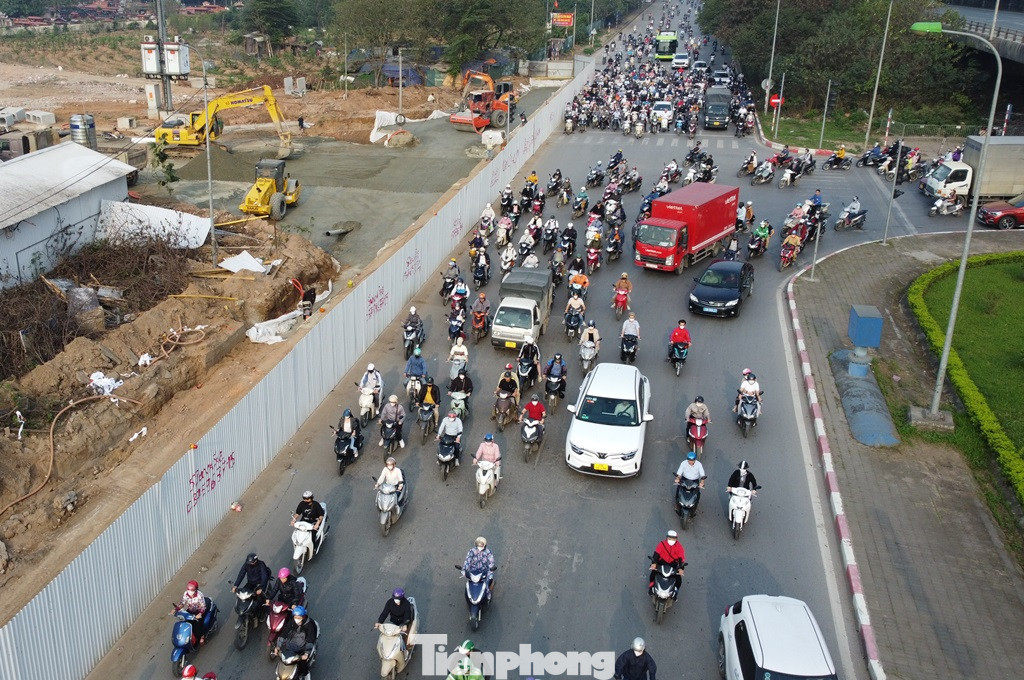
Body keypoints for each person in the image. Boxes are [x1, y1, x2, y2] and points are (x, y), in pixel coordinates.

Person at [274, 605, 318, 676]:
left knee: (303, 666)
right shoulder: (292, 621)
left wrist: (306, 653)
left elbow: (310, 639)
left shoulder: (310, 625)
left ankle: (306, 675)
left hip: (301, 650)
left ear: (303, 617)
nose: (296, 619)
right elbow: (285, 632)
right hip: (290, 647)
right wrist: (278, 646)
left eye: (298, 618)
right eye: (295, 617)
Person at [648, 530, 686, 598]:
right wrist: (654, 563)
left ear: (676, 539)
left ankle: (675, 592)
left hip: (673, 564)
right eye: (670, 538)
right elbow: (656, 554)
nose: (671, 540)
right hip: (662, 562)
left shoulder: (679, 547)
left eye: (673, 539)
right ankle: (651, 586)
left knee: (678, 580)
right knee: (653, 574)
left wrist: (681, 568)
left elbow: (681, 558)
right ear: (667, 538)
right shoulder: (662, 544)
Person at [174, 580, 209, 644]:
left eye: (191, 590)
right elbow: (183, 602)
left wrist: (200, 614)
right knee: (184, 624)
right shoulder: (186, 594)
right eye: (189, 590)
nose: (189, 592)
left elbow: (203, 606)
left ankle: (202, 637)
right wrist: (176, 609)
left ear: (195, 590)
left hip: (199, 612)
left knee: (197, 627)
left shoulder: (199, 595)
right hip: (190, 611)